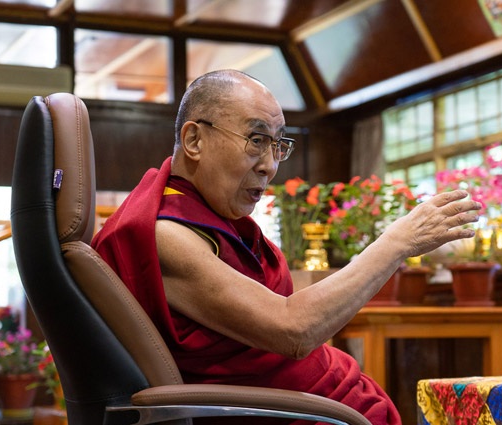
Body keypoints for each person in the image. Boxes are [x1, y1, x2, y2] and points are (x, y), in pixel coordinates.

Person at [91, 69, 481, 424]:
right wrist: (397, 242)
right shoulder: (165, 236)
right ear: (194, 139)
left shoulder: (216, 225)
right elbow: (292, 330)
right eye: (256, 140)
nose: (270, 165)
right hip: (280, 414)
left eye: (277, 145)